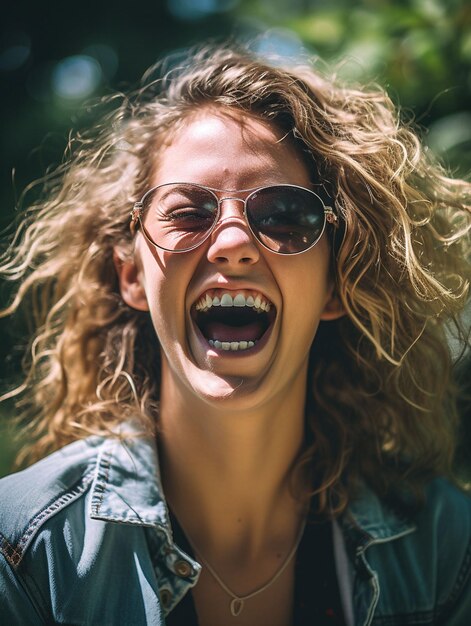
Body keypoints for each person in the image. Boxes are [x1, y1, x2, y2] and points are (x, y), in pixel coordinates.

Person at [0, 43, 470, 626]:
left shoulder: (445, 547)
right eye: (188, 212)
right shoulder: (24, 552)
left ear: (333, 287)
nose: (232, 242)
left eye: (284, 214)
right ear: (131, 277)